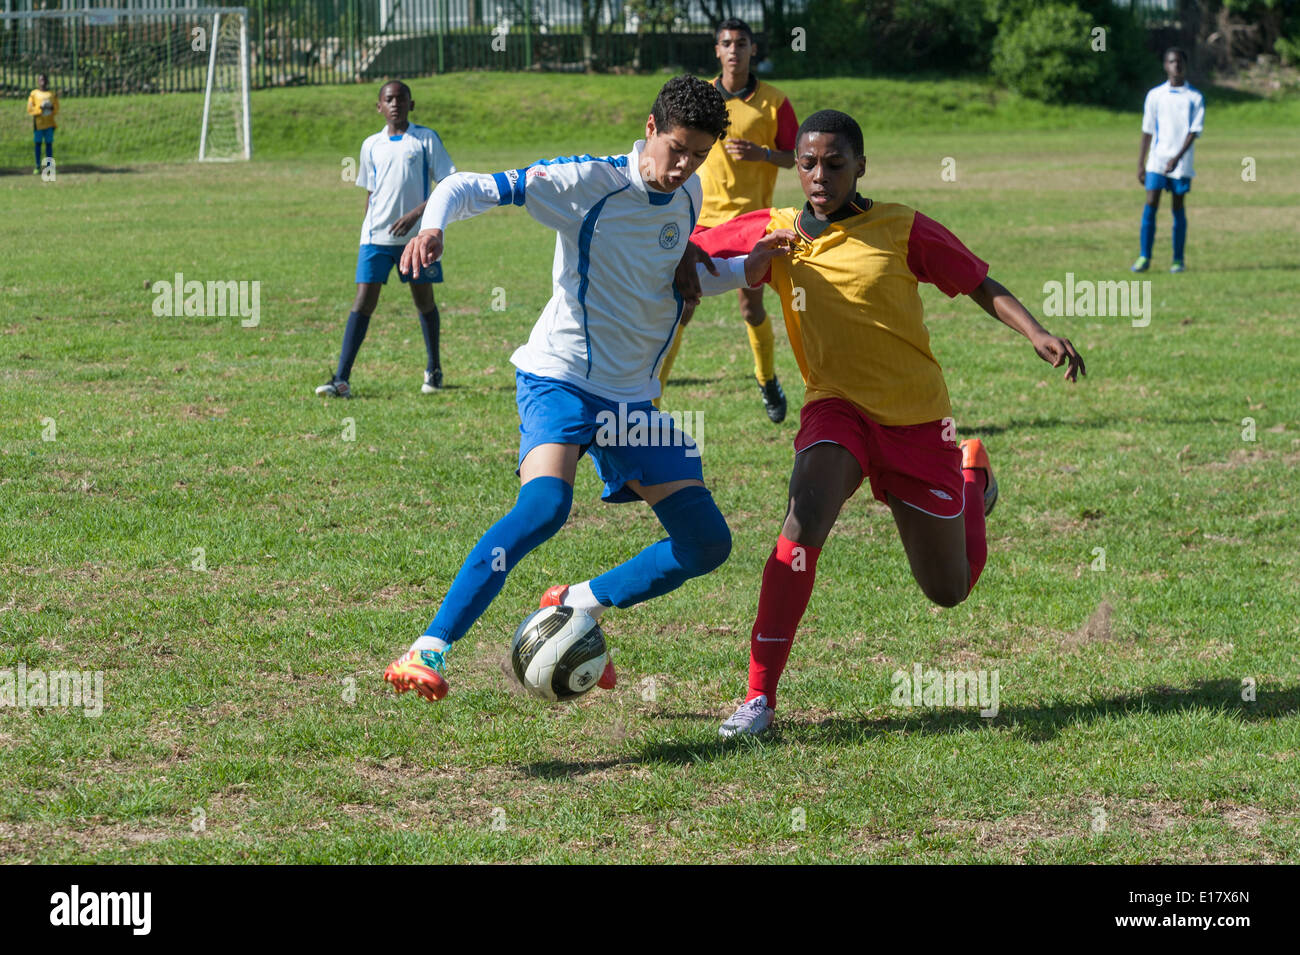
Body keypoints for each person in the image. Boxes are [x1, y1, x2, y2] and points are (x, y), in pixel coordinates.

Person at [382, 76, 795, 703]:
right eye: (677, 149)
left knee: (707, 541)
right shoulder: (587, 182)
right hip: (562, 378)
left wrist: (746, 267)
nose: (683, 167)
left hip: (631, 401)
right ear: (651, 127)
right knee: (544, 508)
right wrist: (435, 227)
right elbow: (465, 185)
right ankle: (428, 647)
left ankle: (576, 603)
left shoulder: (688, 193)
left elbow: (672, 277)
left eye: (700, 155)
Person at [690, 111, 1085, 738]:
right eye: (809, 164)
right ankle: (758, 699)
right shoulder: (777, 228)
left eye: (835, 164)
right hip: (835, 407)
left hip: (917, 420)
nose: (820, 176)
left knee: (947, 591)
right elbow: (690, 250)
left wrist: (1035, 330)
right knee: (803, 517)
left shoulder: (901, 227)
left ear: (861, 166)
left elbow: (979, 281)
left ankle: (971, 482)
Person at [656, 17, 798, 423]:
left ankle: (767, 378)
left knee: (751, 308)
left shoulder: (774, 101)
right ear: (716, 51)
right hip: (699, 221)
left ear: (753, 50)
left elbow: (796, 156)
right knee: (680, 305)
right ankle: (652, 402)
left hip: (750, 223)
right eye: (726, 43)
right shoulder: (700, 98)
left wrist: (764, 154)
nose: (734, 50)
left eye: (741, 43)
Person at [316, 80, 455, 398]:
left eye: (401, 99)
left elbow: (447, 184)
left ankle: (434, 370)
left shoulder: (425, 139)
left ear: (411, 104)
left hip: (415, 240)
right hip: (376, 238)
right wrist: (366, 228)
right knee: (364, 301)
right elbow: (370, 190)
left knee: (424, 302)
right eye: (388, 99)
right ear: (379, 106)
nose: (395, 104)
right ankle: (341, 379)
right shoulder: (371, 145)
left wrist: (415, 216)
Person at [1132, 48, 1204, 274]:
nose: (1176, 66)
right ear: (1165, 65)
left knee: (1178, 207)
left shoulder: (1194, 97)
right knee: (1151, 203)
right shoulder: (1155, 95)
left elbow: (1193, 131)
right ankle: (1144, 256)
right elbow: (1147, 130)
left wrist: (1176, 157)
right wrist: (1141, 163)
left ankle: (1177, 259)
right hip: (1157, 160)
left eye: (1180, 62)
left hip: (1181, 163)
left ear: (1185, 65)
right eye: (1172, 62)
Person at [27, 73, 58, 175]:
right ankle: (37, 166)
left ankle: (49, 168)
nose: (42, 81)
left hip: (49, 124)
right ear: (38, 81)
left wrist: (51, 109)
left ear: (47, 81)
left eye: (44, 79)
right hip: (38, 124)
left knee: (49, 145)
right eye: (40, 80)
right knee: (38, 144)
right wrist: (40, 110)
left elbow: (56, 107)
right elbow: (30, 108)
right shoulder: (34, 94)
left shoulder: (51, 94)